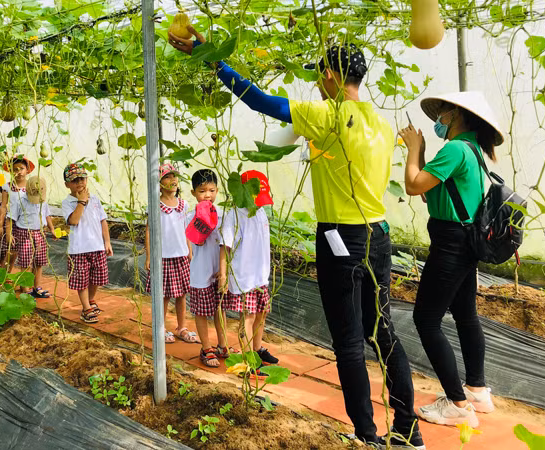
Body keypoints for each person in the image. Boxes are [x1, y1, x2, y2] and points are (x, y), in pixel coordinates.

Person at [169, 29, 424, 448]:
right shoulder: (382, 121)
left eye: (319, 76)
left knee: (348, 341)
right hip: (378, 236)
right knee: (383, 334)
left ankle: (366, 435)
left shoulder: (327, 114)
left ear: (329, 75)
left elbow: (257, 99)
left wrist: (210, 56)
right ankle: (408, 431)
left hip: (340, 236)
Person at [399, 92, 502, 428]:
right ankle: (476, 390)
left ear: (456, 114)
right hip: (467, 241)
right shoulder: (472, 150)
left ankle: (457, 405)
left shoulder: (455, 150)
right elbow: (432, 189)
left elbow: (415, 186)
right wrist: (423, 153)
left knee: (426, 320)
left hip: (451, 245)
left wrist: (413, 149)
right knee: (464, 314)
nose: (438, 118)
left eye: (442, 112)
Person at [218, 171, 278, 374]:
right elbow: (225, 247)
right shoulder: (234, 216)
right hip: (244, 277)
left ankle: (257, 349)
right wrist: (223, 275)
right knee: (248, 317)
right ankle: (247, 360)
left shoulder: (259, 211)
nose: (261, 202)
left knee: (262, 313)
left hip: (260, 275)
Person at [144, 164, 198, 344]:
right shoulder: (155, 205)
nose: (172, 180)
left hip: (181, 255)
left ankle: (181, 327)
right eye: (167, 177)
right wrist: (150, 256)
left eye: (175, 176)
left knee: (182, 294)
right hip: (163, 258)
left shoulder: (184, 205)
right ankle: (161, 328)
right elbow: (149, 230)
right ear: (159, 183)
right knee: (164, 295)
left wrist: (189, 252)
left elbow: (187, 229)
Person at [186, 169, 233, 367]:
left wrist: (225, 272)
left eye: (212, 190)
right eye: (202, 191)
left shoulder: (224, 215)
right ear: (193, 193)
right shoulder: (190, 216)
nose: (207, 195)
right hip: (200, 273)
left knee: (220, 309)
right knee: (202, 312)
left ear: (217, 190)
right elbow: (193, 242)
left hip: (218, 273)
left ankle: (222, 345)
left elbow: (227, 245)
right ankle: (206, 348)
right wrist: (203, 217)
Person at [61, 163, 113, 324]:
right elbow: (74, 221)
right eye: (75, 180)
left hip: (97, 246)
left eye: (82, 179)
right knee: (81, 280)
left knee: (96, 278)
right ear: (67, 185)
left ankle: (90, 300)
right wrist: (81, 202)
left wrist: (107, 242)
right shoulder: (67, 203)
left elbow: (102, 221)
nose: (79, 183)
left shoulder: (96, 200)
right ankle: (86, 308)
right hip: (79, 249)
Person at [8, 175, 56, 298]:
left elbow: (47, 215)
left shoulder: (43, 201)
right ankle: (25, 288)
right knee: (26, 262)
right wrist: (9, 233)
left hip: (40, 233)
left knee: (39, 262)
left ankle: (37, 287)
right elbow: (11, 218)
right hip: (24, 233)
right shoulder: (20, 201)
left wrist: (52, 229)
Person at [4, 156, 35, 268]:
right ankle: (3, 278)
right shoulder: (7, 186)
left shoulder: (32, 186)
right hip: (10, 223)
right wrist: (0, 226)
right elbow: (3, 206)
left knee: (22, 254)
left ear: (27, 169)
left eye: (21, 168)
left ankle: (22, 281)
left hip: (25, 225)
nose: (19, 172)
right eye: (15, 169)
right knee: (9, 253)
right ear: (11, 171)